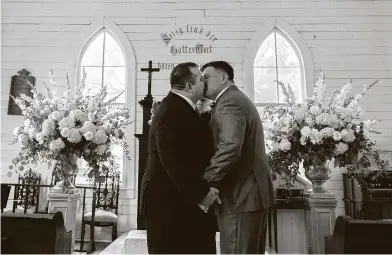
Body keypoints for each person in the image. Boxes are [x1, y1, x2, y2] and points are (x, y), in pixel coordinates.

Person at [139, 62, 220, 254]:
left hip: (177, 203)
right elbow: (175, 163)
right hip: (168, 206)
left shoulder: (180, 108)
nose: (205, 83)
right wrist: (202, 194)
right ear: (189, 87)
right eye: (201, 79)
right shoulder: (173, 112)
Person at [201, 61, 276, 254]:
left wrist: (206, 184)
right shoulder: (236, 98)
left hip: (240, 195)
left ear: (224, 77)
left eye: (206, 77)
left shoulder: (229, 101)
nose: (203, 82)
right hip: (250, 194)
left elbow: (230, 147)